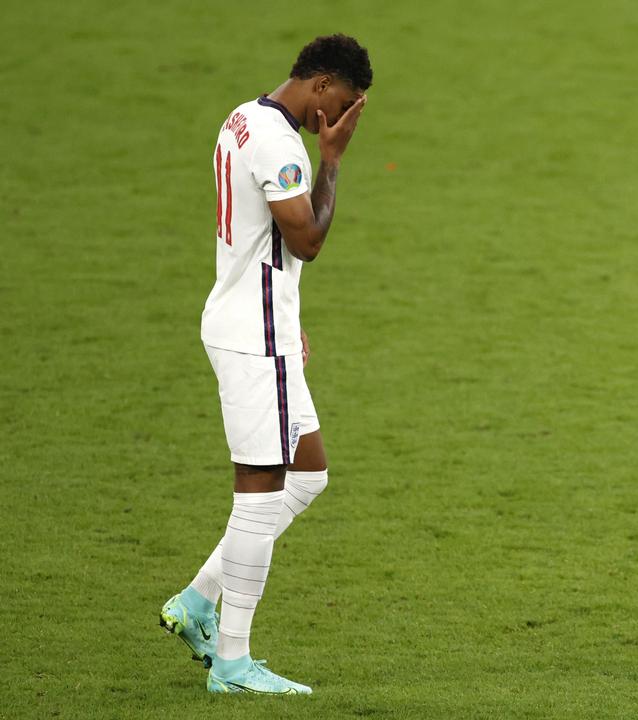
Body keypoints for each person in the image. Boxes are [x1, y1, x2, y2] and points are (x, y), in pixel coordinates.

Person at [159, 34, 372, 696]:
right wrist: (332, 162)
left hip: (256, 324)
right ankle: (232, 662)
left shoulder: (243, 116)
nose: (334, 120)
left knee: (307, 477)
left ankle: (198, 600)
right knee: (259, 491)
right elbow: (304, 239)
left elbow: (260, 242)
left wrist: (287, 314)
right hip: (255, 340)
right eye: (339, 104)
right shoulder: (283, 145)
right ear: (319, 82)